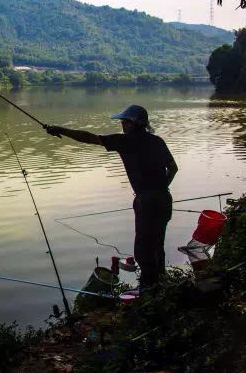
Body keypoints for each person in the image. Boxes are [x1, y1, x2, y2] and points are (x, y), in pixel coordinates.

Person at [45, 105, 178, 290]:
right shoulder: (157, 141)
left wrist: (61, 130)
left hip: (146, 201)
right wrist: (161, 187)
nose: (122, 124)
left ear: (133, 124)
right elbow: (173, 168)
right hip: (164, 199)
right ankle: (161, 283)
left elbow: (90, 138)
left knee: (143, 249)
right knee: (157, 243)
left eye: (124, 121)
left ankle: (149, 289)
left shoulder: (125, 141)